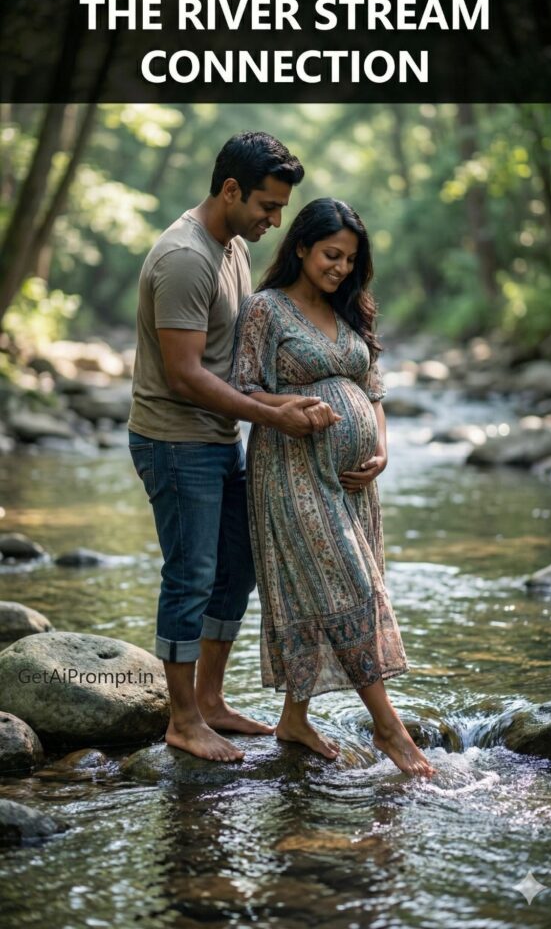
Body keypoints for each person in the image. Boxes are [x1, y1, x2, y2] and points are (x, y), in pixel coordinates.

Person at [128, 132, 330, 764]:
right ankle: (183, 720)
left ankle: (210, 701)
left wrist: (287, 400)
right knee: (190, 577)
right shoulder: (185, 257)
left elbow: (235, 357)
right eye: (268, 207)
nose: (274, 221)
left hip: (216, 437)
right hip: (174, 439)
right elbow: (187, 374)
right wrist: (270, 413)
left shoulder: (233, 245)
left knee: (236, 569)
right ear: (230, 190)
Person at [231, 198, 435, 777]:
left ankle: (294, 719)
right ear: (300, 247)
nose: (341, 268)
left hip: (352, 482)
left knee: (323, 592)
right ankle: (389, 729)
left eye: (350, 258)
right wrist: (290, 404)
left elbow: (373, 389)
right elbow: (243, 388)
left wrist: (382, 449)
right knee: (345, 583)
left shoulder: (352, 310)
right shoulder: (265, 309)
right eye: (330, 254)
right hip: (289, 467)